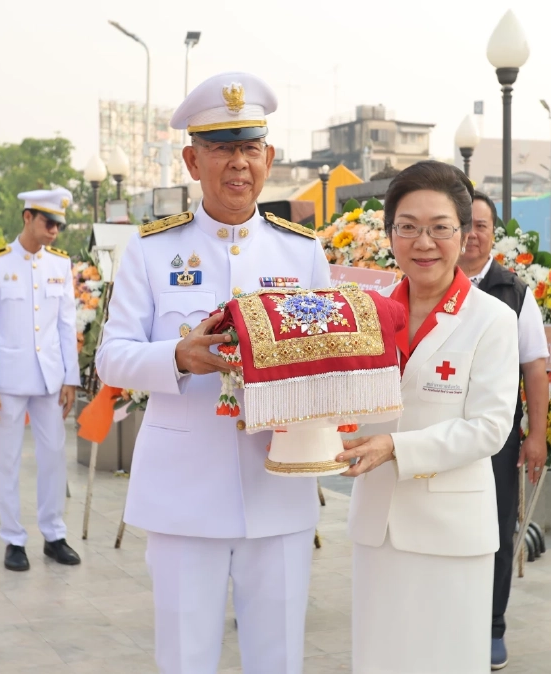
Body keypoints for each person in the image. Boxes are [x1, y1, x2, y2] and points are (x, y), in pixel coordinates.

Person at [95, 71, 331, 674]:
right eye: (221, 148)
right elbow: (112, 354)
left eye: (249, 148)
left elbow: (328, 355)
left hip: (277, 484)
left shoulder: (301, 251)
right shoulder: (149, 250)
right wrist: (177, 357)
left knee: (278, 657)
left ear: (269, 158)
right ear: (191, 160)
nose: (238, 164)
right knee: (185, 658)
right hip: (182, 492)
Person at [340, 160, 521, 673]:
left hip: (451, 531)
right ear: (390, 234)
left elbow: (489, 427)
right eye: (408, 227)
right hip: (378, 527)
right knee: (380, 660)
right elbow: (347, 405)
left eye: (440, 228)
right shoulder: (365, 314)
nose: (424, 242)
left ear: (464, 235)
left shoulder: (492, 319)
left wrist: (396, 449)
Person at [0, 187, 81, 572]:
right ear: (27, 218)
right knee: (8, 460)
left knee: (54, 458)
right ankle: (14, 539)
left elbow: (67, 325)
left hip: (50, 379)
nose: (54, 231)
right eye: (49, 223)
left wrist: (72, 377)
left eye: (59, 226)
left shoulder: (60, 265)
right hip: (7, 382)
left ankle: (54, 534)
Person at [459, 193, 549, 670]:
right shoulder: (432, 282)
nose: (472, 235)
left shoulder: (514, 291)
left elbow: (534, 367)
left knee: (496, 529)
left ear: (494, 232)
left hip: (496, 439)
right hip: (444, 432)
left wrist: (536, 434)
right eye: (465, 225)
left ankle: (493, 626)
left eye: (481, 226)